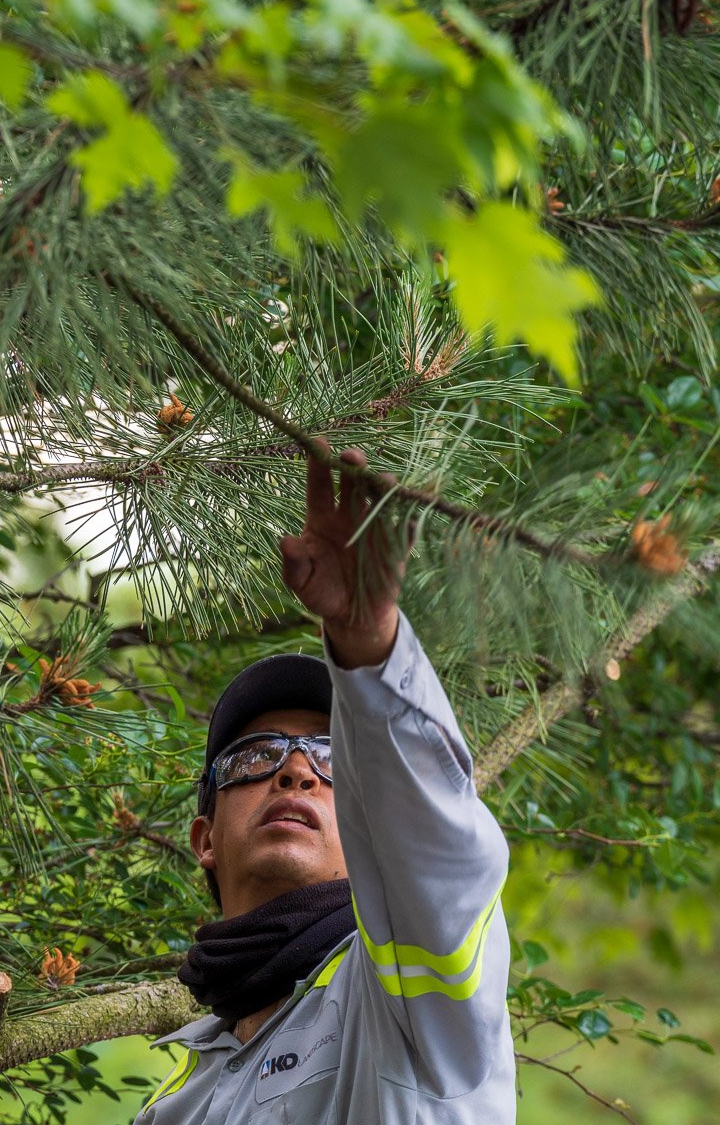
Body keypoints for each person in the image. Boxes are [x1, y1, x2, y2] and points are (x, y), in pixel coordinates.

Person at [135, 445, 514, 1123]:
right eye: (254, 757)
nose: (295, 770)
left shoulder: (407, 1000)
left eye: (328, 755)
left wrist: (368, 645)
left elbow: (437, 853)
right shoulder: (170, 1106)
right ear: (204, 839)